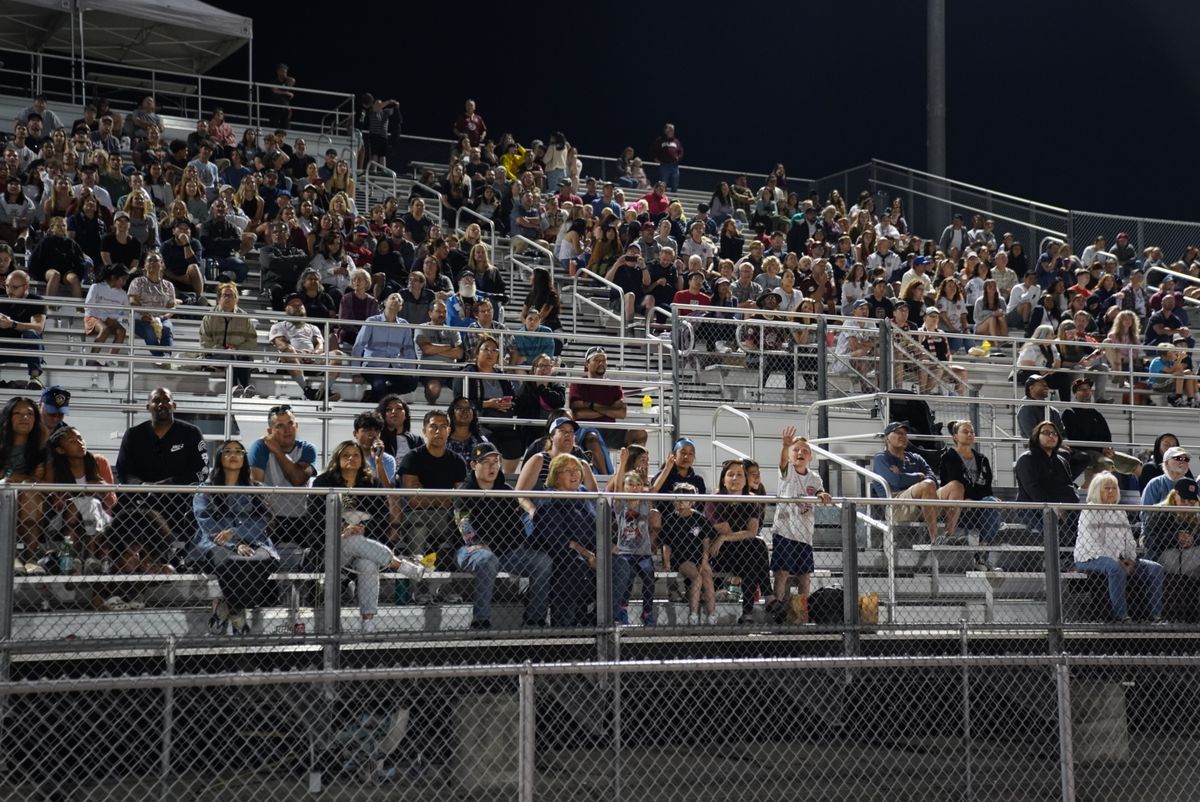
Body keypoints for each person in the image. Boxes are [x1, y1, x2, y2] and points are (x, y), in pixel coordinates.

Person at [454, 442, 553, 629]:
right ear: (474, 465)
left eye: (496, 461)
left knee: (543, 561)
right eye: (485, 462)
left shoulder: (506, 491)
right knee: (487, 559)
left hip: (505, 552)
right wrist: (479, 543)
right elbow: (464, 526)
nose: (492, 467)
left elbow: (516, 529)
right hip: (469, 550)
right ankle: (481, 621)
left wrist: (504, 544)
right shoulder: (464, 491)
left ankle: (535, 619)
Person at [311, 440, 404, 633]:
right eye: (346, 455)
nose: (351, 459)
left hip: (364, 547)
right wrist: (341, 528)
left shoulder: (372, 483)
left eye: (355, 455)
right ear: (337, 458)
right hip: (333, 549)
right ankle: (398, 564)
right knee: (351, 539)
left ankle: (368, 622)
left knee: (368, 565)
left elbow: (382, 518)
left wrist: (364, 528)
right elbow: (314, 518)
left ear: (362, 459)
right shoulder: (324, 482)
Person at [192, 439, 278, 636]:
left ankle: (229, 605)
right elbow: (206, 522)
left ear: (244, 458)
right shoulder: (206, 489)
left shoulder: (256, 487)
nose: (233, 455)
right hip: (215, 542)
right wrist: (233, 543)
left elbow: (264, 520)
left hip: (255, 541)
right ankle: (237, 611)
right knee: (230, 561)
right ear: (219, 457)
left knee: (262, 560)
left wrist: (236, 533)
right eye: (227, 451)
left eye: (239, 451)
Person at [114, 387, 208, 536]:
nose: (161, 404)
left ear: (174, 405)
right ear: (148, 407)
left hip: (179, 499)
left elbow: (201, 471)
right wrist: (143, 486)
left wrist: (170, 483)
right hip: (142, 499)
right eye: (156, 401)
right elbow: (123, 471)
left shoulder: (191, 433)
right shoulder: (133, 434)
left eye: (166, 400)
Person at [1074, 472, 1165, 623]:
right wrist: (1118, 561)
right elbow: (1092, 543)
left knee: (1155, 568)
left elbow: (1129, 539)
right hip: (1089, 558)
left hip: (1120, 559)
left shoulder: (1119, 510)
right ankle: (1121, 615)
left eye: (1114, 488)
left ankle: (1156, 615)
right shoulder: (1089, 510)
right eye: (1106, 488)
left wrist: (1130, 558)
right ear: (1097, 490)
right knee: (1115, 568)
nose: (1111, 491)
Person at [769, 427, 833, 623]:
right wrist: (785, 445)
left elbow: (819, 492)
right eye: (796, 450)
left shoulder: (814, 478)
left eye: (804, 450)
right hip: (785, 531)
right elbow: (781, 463)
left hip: (805, 534)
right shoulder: (787, 472)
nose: (800, 453)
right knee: (783, 573)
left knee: (805, 576)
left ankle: (802, 613)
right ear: (790, 455)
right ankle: (778, 611)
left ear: (810, 456)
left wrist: (822, 494)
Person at [530, 453, 596, 627]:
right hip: (558, 553)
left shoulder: (584, 495)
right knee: (576, 563)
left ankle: (600, 619)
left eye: (577, 470)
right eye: (568, 471)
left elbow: (597, 526)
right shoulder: (548, 498)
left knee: (620, 563)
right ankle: (564, 623)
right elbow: (556, 538)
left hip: (586, 551)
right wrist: (586, 553)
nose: (574, 474)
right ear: (556, 476)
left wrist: (605, 548)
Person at [706, 459, 772, 625]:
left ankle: (748, 612)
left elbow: (752, 532)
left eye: (740, 475)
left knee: (755, 547)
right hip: (720, 554)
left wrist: (725, 538)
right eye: (731, 474)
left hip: (744, 552)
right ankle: (767, 597)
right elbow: (728, 531)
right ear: (723, 479)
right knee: (756, 546)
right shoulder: (714, 500)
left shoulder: (751, 500)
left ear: (745, 479)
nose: (735, 478)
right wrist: (724, 537)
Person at [399, 410, 467, 565]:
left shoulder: (457, 461)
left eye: (443, 427)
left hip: (446, 517)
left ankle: (444, 577)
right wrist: (445, 497)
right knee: (419, 527)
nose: (438, 431)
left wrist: (427, 495)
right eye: (433, 427)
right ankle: (416, 575)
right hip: (416, 515)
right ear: (424, 431)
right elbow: (415, 501)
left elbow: (459, 501)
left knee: (459, 522)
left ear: (449, 431)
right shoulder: (412, 458)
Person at [871, 421, 956, 544]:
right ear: (887, 438)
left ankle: (948, 536)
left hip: (924, 503)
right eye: (898, 433)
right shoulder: (881, 458)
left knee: (955, 486)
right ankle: (935, 538)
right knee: (926, 485)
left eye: (905, 434)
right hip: (896, 506)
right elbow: (896, 481)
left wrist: (903, 475)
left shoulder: (915, 458)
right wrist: (918, 476)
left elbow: (933, 480)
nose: (903, 436)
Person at [248, 404, 318, 551]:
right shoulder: (260, 446)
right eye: (280, 426)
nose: (287, 429)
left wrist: (277, 450)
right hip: (270, 519)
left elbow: (297, 479)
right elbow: (256, 488)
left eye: (290, 423)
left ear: (296, 425)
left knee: (315, 550)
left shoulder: (307, 448)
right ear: (270, 431)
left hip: (301, 518)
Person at [937, 420, 1002, 570]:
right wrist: (968, 497)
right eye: (965, 432)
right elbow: (952, 481)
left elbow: (986, 487)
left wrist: (974, 498)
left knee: (992, 502)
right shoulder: (948, 457)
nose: (970, 434)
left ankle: (982, 554)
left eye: (972, 432)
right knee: (988, 502)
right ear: (955, 436)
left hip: (978, 506)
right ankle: (976, 558)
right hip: (956, 507)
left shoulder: (982, 459)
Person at [569, 346, 643, 467]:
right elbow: (578, 413)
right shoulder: (578, 383)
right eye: (597, 360)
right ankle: (605, 478)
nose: (601, 363)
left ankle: (630, 474)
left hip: (609, 429)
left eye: (604, 360)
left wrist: (592, 405)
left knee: (640, 434)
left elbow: (621, 413)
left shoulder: (613, 385)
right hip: (585, 429)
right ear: (587, 364)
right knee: (592, 438)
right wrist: (609, 409)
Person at [657, 482, 717, 625]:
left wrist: (704, 559)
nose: (679, 503)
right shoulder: (671, 519)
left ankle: (712, 614)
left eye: (683, 500)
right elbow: (666, 544)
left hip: (698, 557)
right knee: (696, 577)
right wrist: (667, 562)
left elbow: (706, 539)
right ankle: (693, 613)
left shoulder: (699, 518)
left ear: (692, 502)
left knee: (707, 578)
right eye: (676, 499)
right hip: (682, 558)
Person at [1061, 377, 1142, 483]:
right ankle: (1099, 496)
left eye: (1088, 389)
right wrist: (1101, 449)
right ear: (1075, 394)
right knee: (1106, 463)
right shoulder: (1069, 413)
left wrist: (1108, 447)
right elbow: (1075, 439)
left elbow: (1107, 435)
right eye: (1082, 389)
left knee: (1137, 464)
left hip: (1102, 451)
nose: (1086, 392)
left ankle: (1144, 496)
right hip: (1083, 452)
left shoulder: (1096, 414)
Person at [609, 448, 656, 626]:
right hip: (626, 551)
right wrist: (622, 463)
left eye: (637, 485)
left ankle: (647, 612)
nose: (634, 487)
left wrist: (665, 469)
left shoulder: (644, 503)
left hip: (643, 551)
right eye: (630, 485)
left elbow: (652, 488)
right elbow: (617, 486)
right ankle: (622, 610)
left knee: (649, 578)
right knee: (626, 580)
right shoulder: (620, 504)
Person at [0, 396, 47, 570]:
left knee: (29, 495)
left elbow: (47, 481)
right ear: (8, 417)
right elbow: (3, 476)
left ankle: (30, 559)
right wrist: (27, 478)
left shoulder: (41, 446)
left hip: (34, 500)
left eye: (29, 414)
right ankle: (10, 557)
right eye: (17, 413)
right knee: (11, 492)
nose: (24, 417)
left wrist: (15, 477)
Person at [1014, 421, 1080, 544]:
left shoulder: (1061, 461)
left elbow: (1069, 487)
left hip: (1062, 508)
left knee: (1082, 520)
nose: (1051, 436)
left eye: (1055, 433)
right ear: (1036, 437)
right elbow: (1033, 490)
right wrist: (1056, 508)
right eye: (1046, 433)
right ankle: (1063, 557)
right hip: (1032, 507)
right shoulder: (1026, 459)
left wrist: (1067, 507)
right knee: (1057, 529)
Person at [352, 292, 419, 401]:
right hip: (372, 366)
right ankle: (373, 403)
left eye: (399, 300)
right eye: (393, 297)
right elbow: (359, 345)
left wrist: (410, 371)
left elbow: (409, 350)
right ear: (385, 302)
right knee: (379, 385)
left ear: (401, 307)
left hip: (393, 367)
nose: (396, 300)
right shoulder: (372, 321)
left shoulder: (404, 325)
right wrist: (355, 372)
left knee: (411, 383)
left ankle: (371, 395)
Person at [200, 281, 259, 396]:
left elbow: (252, 342)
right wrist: (223, 350)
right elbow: (205, 342)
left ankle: (245, 388)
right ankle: (234, 387)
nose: (227, 298)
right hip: (214, 356)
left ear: (236, 299)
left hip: (238, 355)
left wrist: (237, 349)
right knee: (231, 356)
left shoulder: (244, 317)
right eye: (224, 295)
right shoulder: (209, 317)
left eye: (231, 295)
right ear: (219, 299)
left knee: (242, 356)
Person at [126, 250, 177, 360]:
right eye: (149, 261)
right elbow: (132, 300)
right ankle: (161, 359)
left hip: (161, 317)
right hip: (140, 318)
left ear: (162, 265)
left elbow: (172, 306)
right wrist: (147, 315)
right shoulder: (137, 282)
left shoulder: (168, 285)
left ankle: (166, 357)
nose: (152, 263)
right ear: (145, 265)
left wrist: (162, 317)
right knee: (149, 331)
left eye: (156, 260)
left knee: (167, 328)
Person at [0, 269, 46, 389]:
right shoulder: (2, 299)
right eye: (7, 286)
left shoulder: (36, 301)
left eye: (15, 287)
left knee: (31, 333)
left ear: (26, 286)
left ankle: (35, 378)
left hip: (26, 349)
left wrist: (12, 324)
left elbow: (38, 327)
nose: (10, 291)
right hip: (4, 347)